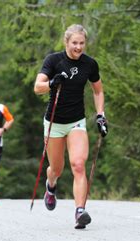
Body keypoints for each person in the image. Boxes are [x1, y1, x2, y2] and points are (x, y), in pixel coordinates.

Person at [33, 24, 108, 229]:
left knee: (78, 164)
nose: (78, 47)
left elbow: (98, 91)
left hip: (76, 121)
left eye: (82, 43)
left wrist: (100, 115)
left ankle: (79, 211)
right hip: (54, 123)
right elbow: (37, 87)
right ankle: (51, 186)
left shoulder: (90, 64)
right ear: (66, 42)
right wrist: (51, 83)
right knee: (56, 168)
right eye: (74, 43)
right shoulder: (53, 61)